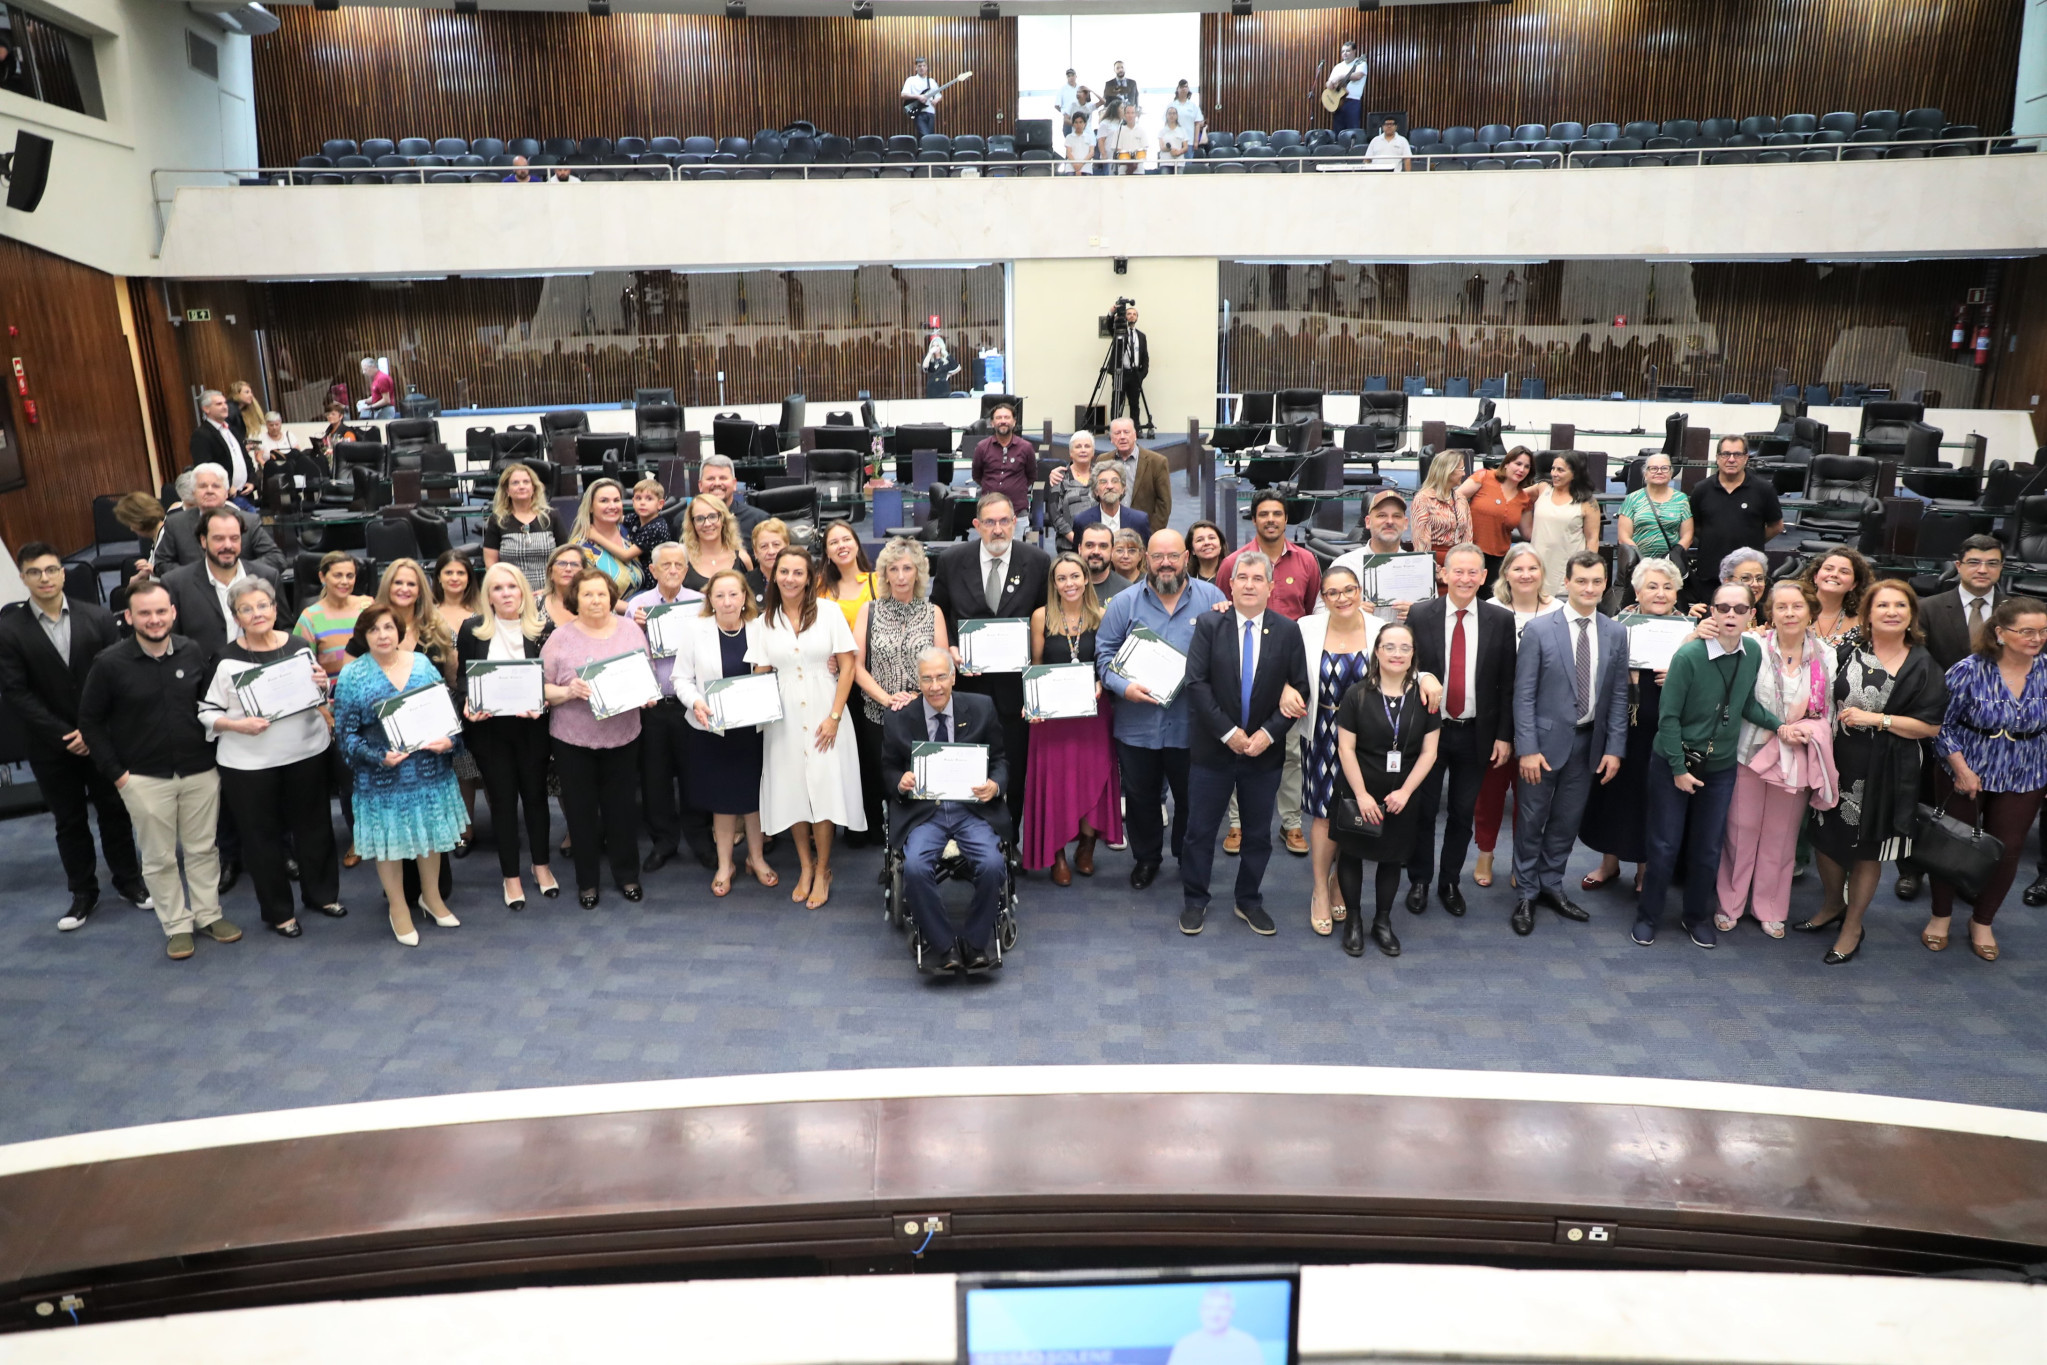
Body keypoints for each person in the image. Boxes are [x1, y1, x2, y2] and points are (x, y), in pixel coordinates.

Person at [76, 578, 240, 960]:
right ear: (129, 617)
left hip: (199, 771)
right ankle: (177, 926)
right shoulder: (109, 664)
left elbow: (210, 705)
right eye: (145, 613)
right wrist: (119, 776)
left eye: (161, 611)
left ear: (173, 613)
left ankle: (208, 915)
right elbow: (91, 723)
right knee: (160, 857)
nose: (154, 619)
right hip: (143, 778)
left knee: (203, 848)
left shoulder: (191, 650)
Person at [0, 542, 148, 930]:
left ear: (63, 573)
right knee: (69, 821)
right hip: (51, 745)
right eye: (35, 572)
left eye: (51, 570)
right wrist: (67, 733)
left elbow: (116, 679)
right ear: (23, 578)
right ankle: (83, 893)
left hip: (101, 739)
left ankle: (129, 881)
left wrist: (92, 731)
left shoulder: (97, 617)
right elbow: (16, 693)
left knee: (115, 812)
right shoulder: (8, 629)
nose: (45, 578)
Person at [1798, 581, 1947, 964]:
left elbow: (1929, 727)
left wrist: (1877, 719)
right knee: (1825, 837)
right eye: (1883, 605)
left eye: (1901, 605)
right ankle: (1832, 905)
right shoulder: (1847, 650)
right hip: (1838, 762)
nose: (1892, 611)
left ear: (1912, 614)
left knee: (1867, 851)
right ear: (1868, 613)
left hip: (1887, 771)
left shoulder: (1923, 664)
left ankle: (1853, 926)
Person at [1634, 578, 1788, 948]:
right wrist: (1678, 770)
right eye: (1723, 608)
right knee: (1665, 845)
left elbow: (1745, 705)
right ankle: (1648, 915)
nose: (1731, 615)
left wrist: (1780, 726)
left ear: (1752, 615)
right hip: (1674, 761)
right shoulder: (1688, 656)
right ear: (1711, 612)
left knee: (1707, 849)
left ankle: (1694, 916)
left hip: (1719, 768)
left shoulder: (1752, 652)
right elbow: (1667, 718)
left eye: (1739, 609)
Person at [198, 577, 342, 938]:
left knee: (315, 828)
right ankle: (279, 912)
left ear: (276, 610)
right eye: (246, 609)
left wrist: (323, 684)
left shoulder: (298, 647)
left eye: (263, 606)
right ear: (236, 617)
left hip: (306, 752)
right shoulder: (225, 659)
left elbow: (318, 697)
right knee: (261, 839)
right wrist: (237, 724)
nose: (257, 613)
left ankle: (322, 895)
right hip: (249, 764)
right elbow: (205, 712)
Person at [1179, 553, 1309, 937]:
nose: (1249, 584)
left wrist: (1266, 735)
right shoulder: (1209, 624)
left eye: (1258, 578)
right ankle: (1195, 899)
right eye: (1242, 578)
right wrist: (1229, 733)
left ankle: (1248, 900)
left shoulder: (1287, 631)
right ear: (1230, 585)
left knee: (1257, 834)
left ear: (1271, 587)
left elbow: (1299, 689)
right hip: (1213, 750)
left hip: (1263, 753)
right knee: (1199, 832)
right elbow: (1196, 684)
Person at [1096, 530, 1229, 890]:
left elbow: (1228, 653)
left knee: (1190, 798)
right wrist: (1124, 687)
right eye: (1157, 557)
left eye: (1173, 555)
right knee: (1140, 798)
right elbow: (1104, 658)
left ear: (1186, 557)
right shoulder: (1123, 604)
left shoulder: (1212, 598)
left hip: (1193, 726)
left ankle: (1187, 856)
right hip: (1137, 723)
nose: (1166, 563)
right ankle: (1146, 858)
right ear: (1145, 559)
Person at [1511, 551, 1628, 936]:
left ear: (1605, 584)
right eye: (1582, 581)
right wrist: (1526, 747)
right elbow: (1523, 694)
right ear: (1567, 582)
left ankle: (1551, 885)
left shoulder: (1615, 631)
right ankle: (1526, 892)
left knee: (1566, 822)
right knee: (1531, 820)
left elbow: (1618, 696)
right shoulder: (1540, 630)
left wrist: (1614, 748)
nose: (1589, 588)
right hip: (1541, 747)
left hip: (1588, 744)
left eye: (1597, 582)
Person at [1925, 597, 2047, 962]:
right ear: (2000, 632)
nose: (2037, 638)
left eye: (2043, 631)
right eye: (2027, 631)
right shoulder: (1968, 670)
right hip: (1965, 767)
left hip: (2027, 771)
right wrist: (1961, 769)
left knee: (2008, 851)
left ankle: (1982, 920)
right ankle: (1940, 916)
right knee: (1952, 847)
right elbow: (1939, 724)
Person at [334, 605, 465, 945]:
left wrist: (448, 741)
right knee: (390, 845)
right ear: (363, 636)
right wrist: (377, 757)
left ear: (400, 631)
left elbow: (447, 716)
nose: (383, 635)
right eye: (374, 629)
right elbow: (345, 736)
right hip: (382, 778)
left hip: (428, 771)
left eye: (389, 628)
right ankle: (398, 907)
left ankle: (431, 897)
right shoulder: (352, 676)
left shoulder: (421, 664)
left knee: (431, 838)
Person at [1716, 577, 1837, 939]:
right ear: (1769, 612)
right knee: (1740, 830)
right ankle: (1730, 903)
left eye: (1797, 606)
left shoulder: (1826, 654)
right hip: (1750, 751)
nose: (1789, 613)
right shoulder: (1752, 645)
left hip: (1796, 756)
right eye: (1781, 606)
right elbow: (1740, 697)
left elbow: (1828, 709)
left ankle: (1770, 907)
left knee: (1781, 837)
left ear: (1811, 611)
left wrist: (1810, 731)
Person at [883, 648, 1011, 973]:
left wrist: (995, 785)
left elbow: (999, 760)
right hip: (925, 811)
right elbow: (887, 768)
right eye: (927, 678)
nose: (935, 685)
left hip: (972, 809)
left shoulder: (981, 708)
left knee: (994, 863)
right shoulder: (900, 717)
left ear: (953, 677)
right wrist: (901, 781)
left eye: (941, 676)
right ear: (919, 681)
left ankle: (975, 939)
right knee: (913, 868)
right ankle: (943, 945)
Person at [1404, 543, 1516, 916]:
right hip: (1429, 734)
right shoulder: (1421, 615)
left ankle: (1449, 881)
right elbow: (1404, 667)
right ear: (1444, 574)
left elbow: (1507, 683)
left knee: (1462, 812)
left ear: (1485, 577)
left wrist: (1504, 735)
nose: (1465, 579)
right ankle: (1419, 879)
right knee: (1422, 811)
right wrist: (1422, 676)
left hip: (1476, 734)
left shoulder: (1500, 620)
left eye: (1473, 572)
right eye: (1458, 571)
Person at [750, 548, 863, 907]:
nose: (790, 579)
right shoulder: (763, 621)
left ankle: (824, 868)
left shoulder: (829, 613)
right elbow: (760, 673)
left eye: (798, 572)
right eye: (784, 571)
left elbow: (847, 667)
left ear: (810, 577)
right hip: (781, 715)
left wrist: (834, 716)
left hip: (824, 709)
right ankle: (805, 866)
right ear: (773, 575)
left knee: (824, 791)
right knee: (793, 791)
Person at [930, 492, 1050, 828]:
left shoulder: (1038, 561)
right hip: (968, 688)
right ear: (976, 526)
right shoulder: (953, 560)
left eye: (1003, 522)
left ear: (1015, 523)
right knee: (968, 768)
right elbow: (937, 608)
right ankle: (969, 840)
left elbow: (1044, 617)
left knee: (1014, 767)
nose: (997, 530)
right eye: (989, 523)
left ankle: (1009, 838)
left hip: (1017, 691)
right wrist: (949, 647)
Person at [540, 568, 652, 908]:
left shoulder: (631, 630)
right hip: (574, 740)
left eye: (601, 593)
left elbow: (644, 674)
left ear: (611, 597)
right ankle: (587, 882)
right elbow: (540, 689)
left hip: (623, 736)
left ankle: (627, 875)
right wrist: (566, 690)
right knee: (581, 813)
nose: (595, 600)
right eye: (587, 594)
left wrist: (646, 694)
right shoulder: (559, 638)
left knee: (621, 810)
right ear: (576, 599)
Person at [1220, 491, 1324, 857]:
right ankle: (1236, 823)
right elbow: (1224, 612)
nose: (1271, 520)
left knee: (1291, 752)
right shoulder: (1234, 561)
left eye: (1277, 514)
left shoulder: (1307, 562)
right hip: (1243, 672)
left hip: (1288, 676)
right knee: (1240, 746)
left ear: (1286, 519)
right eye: (1263, 514)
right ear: (1254, 520)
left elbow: (1309, 613)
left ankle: (1291, 823)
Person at [1331, 620, 1442, 958]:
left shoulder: (1425, 698)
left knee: (1391, 859)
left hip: (1401, 793)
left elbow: (1429, 752)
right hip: (1357, 789)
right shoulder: (1356, 694)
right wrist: (1362, 795)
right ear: (1377, 652)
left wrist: (1406, 792)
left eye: (1404, 648)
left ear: (1413, 656)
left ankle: (1382, 921)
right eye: (1389, 647)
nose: (1396, 653)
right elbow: (1345, 749)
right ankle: (1353, 920)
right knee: (1350, 853)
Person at [1579, 556, 1684, 896]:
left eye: (1668, 586)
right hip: (1622, 725)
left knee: (1651, 799)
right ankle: (1609, 863)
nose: (1660, 593)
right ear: (1637, 591)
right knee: (1613, 794)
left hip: (1664, 729)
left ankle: (1644, 869)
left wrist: (1682, 677)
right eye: (1652, 586)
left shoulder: (1691, 633)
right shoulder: (1616, 625)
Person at [672, 568, 778, 897]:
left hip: (754, 729)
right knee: (722, 800)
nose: (727, 601)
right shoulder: (695, 630)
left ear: (745, 596)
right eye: (719, 595)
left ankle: (756, 859)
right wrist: (696, 703)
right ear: (710, 600)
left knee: (753, 798)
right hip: (712, 729)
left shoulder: (761, 628)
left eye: (734, 594)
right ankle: (725, 864)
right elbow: (680, 680)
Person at [458, 562, 558, 911]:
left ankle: (541, 867)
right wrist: (469, 704)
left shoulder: (544, 628)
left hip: (532, 727)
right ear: (488, 595)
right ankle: (511, 876)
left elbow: (553, 678)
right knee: (502, 803)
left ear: (524, 592)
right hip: (490, 731)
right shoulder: (473, 629)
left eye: (511, 587)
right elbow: (462, 680)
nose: (505, 594)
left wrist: (543, 701)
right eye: (497, 588)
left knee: (535, 798)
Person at [1024, 551, 1122, 884]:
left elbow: (1110, 663)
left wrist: (1100, 681)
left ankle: (1086, 847)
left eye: (1075, 576)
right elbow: (1035, 666)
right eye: (1062, 578)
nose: (1069, 584)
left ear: (1086, 579)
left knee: (1091, 779)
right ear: (1053, 583)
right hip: (1051, 718)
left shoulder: (1103, 615)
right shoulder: (1041, 617)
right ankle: (1056, 854)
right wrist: (1031, 702)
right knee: (1055, 785)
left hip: (1093, 714)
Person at [628, 541, 718, 876]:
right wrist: (636, 628)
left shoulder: (700, 603)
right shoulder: (636, 607)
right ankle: (664, 841)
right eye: (665, 566)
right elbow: (624, 651)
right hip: (652, 707)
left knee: (695, 773)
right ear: (652, 570)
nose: (673, 571)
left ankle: (700, 840)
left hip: (690, 704)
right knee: (655, 778)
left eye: (679, 565)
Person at [1473, 544, 1560, 888]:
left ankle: (1521, 859)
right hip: (1496, 718)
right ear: (1505, 573)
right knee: (1490, 791)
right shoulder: (1489, 611)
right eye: (1518, 568)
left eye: (1532, 568)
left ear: (1542, 573)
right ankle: (1485, 852)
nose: (1525, 575)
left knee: (1531, 797)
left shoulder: (1558, 612)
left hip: (1540, 721)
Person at [1299, 564, 1379, 936]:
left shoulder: (1380, 630)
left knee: (1356, 812)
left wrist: (1427, 680)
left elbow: (1410, 664)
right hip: (1322, 732)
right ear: (1323, 598)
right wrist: (1287, 689)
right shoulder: (1306, 629)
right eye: (1333, 592)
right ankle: (1319, 888)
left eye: (1349, 590)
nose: (1342, 598)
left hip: (1368, 738)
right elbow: (1286, 667)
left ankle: (1337, 882)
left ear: (1360, 591)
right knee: (1324, 816)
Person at [853, 537, 947, 844]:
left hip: (922, 713)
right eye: (894, 569)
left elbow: (944, 668)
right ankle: (887, 843)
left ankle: (921, 839)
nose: (901, 575)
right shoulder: (869, 611)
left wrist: (918, 698)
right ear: (885, 574)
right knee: (884, 782)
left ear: (919, 572)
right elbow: (856, 666)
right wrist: (886, 698)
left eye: (908, 568)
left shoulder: (933, 612)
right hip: (877, 714)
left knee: (918, 783)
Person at [160, 508, 287, 656]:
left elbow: (285, 628)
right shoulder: (176, 584)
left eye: (234, 538)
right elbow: (171, 641)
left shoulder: (267, 576)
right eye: (219, 539)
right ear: (203, 541)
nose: (228, 545)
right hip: (205, 675)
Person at [1687, 435, 1783, 605]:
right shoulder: (1701, 489)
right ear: (1717, 458)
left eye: (1737, 455)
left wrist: (1752, 539)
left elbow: (1776, 526)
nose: (1731, 459)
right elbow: (1696, 526)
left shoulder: (1764, 489)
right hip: (1710, 573)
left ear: (1746, 458)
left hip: (1748, 576)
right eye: (1725, 454)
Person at [152, 464, 285, 574]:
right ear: (193, 493)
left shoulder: (249, 521)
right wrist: (199, 575)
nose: (209, 491)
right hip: (194, 595)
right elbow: (161, 564)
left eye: (216, 486)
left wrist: (235, 571)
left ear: (226, 493)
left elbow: (276, 559)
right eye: (203, 486)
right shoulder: (176, 523)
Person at [1331, 489, 1423, 621]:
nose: (1390, 521)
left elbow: (1435, 615)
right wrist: (1347, 611)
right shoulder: (1345, 565)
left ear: (1405, 523)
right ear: (1368, 522)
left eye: (1397, 516)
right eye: (1381, 515)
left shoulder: (1420, 567)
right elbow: (1319, 611)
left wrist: (1419, 613)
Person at [480, 462, 565, 594]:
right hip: (511, 593)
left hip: (550, 591)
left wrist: (551, 589)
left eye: (526, 482)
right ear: (507, 490)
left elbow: (566, 557)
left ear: (533, 488)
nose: (521, 486)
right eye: (515, 483)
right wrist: (511, 590)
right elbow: (491, 564)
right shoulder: (497, 520)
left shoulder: (552, 516)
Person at [1456, 447, 1536, 587]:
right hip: (1469, 552)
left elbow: (1528, 534)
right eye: (1518, 464)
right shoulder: (1484, 477)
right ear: (1506, 463)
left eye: (1526, 467)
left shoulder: (1524, 499)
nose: (1521, 470)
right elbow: (1455, 500)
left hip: (1497, 561)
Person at [1524, 451, 1600, 598]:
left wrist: (1588, 569)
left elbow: (1592, 539)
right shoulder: (1542, 489)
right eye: (1553, 469)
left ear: (1575, 473)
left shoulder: (1588, 502)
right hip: (1538, 563)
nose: (1554, 474)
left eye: (1560, 470)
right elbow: (1515, 497)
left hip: (1566, 567)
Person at [1617, 452, 1694, 569]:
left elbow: (1688, 535)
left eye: (1664, 468)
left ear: (1671, 473)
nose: (1659, 472)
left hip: (1671, 565)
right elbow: (1623, 537)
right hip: (1638, 565)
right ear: (1645, 474)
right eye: (1653, 468)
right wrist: (1641, 560)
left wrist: (1673, 556)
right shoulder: (1632, 499)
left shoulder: (1681, 499)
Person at [570, 477, 644, 595]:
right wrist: (634, 609)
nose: (612, 506)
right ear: (590, 507)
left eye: (616, 500)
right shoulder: (580, 548)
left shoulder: (630, 531)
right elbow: (588, 595)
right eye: (604, 501)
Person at [678, 493, 754, 596]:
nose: (707, 524)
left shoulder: (743, 559)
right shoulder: (681, 560)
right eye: (700, 519)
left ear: (723, 519)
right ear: (692, 524)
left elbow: (751, 602)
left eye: (713, 517)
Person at [1796, 546, 1873, 648]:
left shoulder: (1863, 623)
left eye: (1844, 572)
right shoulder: (1792, 612)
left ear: (1853, 584)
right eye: (1828, 569)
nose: (1834, 574)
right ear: (1815, 577)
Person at [1167, 1287, 1265, 1365]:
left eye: (1222, 1308)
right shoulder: (1185, 1345)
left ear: (1232, 1312)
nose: (1215, 1315)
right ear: (1201, 1311)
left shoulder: (1247, 1344)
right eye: (1209, 1308)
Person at [1409, 450, 1474, 565]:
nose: (1464, 474)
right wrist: (1435, 570)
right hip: (1434, 563)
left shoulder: (1461, 499)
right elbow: (1421, 543)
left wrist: (1466, 563)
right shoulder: (1423, 499)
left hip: (1459, 563)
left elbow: (1468, 537)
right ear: (1448, 471)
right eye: (1462, 469)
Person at [189, 389, 255, 500]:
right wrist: (227, 485)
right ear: (206, 409)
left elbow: (246, 458)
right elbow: (205, 467)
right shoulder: (201, 434)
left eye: (225, 403)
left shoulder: (232, 430)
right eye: (219, 404)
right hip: (226, 497)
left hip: (245, 493)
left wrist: (252, 481)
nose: (225, 406)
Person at [1107, 418, 1171, 530]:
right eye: (1117, 433)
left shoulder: (1157, 462)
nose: (1122, 437)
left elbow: (1164, 503)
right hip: (1110, 529)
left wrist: (1151, 534)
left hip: (1143, 530)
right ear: (1111, 438)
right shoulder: (1103, 460)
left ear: (1135, 435)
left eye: (1126, 432)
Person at [969, 403, 1035, 510]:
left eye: (1007, 417)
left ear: (1014, 422)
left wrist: (1015, 488)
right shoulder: (982, 447)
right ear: (992, 423)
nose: (1003, 421)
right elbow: (977, 476)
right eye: (998, 418)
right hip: (989, 508)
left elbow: (1031, 476)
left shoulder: (1026, 447)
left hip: (1017, 509)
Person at [1071, 461, 1151, 546]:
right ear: (1096, 491)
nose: (1109, 486)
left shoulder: (1139, 520)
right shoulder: (1082, 521)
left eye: (1115, 481)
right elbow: (1078, 555)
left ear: (1123, 488)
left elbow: (1145, 554)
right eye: (1103, 482)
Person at [1047, 431, 1100, 547]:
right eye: (1078, 446)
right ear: (1071, 453)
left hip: (1099, 543)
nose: (1083, 450)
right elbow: (1054, 513)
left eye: (1087, 446)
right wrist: (1075, 539)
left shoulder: (1101, 475)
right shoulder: (1060, 476)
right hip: (1069, 544)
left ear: (1093, 452)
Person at [697, 454, 767, 537]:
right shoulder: (684, 521)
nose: (717, 483)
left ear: (734, 484)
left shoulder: (758, 520)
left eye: (723, 478)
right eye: (711, 479)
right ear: (700, 485)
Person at [621, 477, 674, 564]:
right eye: (638, 498)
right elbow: (618, 519)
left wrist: (596, 536)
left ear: (660, 504)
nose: (642, 503)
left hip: (653, 575)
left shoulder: (657, 527)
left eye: (649, 499)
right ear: (633, 502)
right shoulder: (635, 518)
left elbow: (626, 556)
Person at [1110, 311, 1150, 426]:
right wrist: (1111, 314)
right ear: (1125, 317)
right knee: (1117, 402)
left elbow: (1145, 356)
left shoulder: (1141, 336)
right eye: (1129, 314)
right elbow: (1109, 325)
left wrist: (1142, 374)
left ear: (1137, 317)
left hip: (1135, 374)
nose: (1131, 316)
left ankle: (1136, 428)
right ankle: (1115, 428)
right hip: (1121, 373)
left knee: (1134, 404)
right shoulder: (1118, 333)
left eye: (1134, 314)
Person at [1077, 524, 1131, 601]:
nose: (1096, 552)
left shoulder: (1127, 591)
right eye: (1089, 545)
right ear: (1080, 549)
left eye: (1103, 546)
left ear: (1112, 551)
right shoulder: (1065, 586)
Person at [540, 543, 588, 630]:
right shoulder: (535, 605)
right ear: (550, 572)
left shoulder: (597, 602)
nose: (568, 569)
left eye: (575, 564)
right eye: (562, 563)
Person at [1324, 38, 1368, 132]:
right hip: (1338, 102)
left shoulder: (1361, 63)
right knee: (1338, 131)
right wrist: (1331, 84)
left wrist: (1340, 76)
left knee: (1352, 131)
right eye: (1343, 51)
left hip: (1352, 102)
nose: (1345, 53)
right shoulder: (1338, 66)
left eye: (1348, 51)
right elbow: (1329, 83)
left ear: (1354, 51)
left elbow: (1358, 76)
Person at [902, 56, 942, 138]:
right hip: (919, 113)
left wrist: (936, 100)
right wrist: (918, 97)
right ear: (916, 68)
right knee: (926, 136)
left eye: (924, 66)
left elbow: (939, 95)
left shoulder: (931, 81)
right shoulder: (911, 80)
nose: (922, 68)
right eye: (919, 66)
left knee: (930, 137)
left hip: (931, 112)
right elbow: (903, 94)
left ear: (927, 67)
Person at [1168, 79, 1205, 148]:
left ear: (1188, 89)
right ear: (1177, 89)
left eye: (1186, 87)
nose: (1184, 89)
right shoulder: (1171, 106)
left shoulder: (1193, 106)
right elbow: (1166, 124)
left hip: (1189, 141)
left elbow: (1197, 124)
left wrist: (1196, 141)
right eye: (1181, 87)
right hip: (1174, 142)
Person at [1157, 105, 1190, 171]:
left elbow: (1185, 147)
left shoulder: (1182, 130)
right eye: (1169, 113)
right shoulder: (1162, 131)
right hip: (1165, 163)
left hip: (1179, 163)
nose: (1172, 115)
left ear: (1177, 116)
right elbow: (1162, 147)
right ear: (1166, 116)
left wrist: (1179, 152)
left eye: (1174, 113)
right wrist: (1169, 149)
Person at [1061, 111, 1095, 175]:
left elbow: (1091, 153)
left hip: (1086, 168)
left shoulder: (1090, 137)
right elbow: (1068, 153)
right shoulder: (1069, 137)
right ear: (1073, 124)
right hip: (1071, 168)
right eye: (1076, 122)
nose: (1078, 125)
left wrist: (1080, 165)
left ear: (1085, 123)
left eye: (1080, 122)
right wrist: (1075, 166)